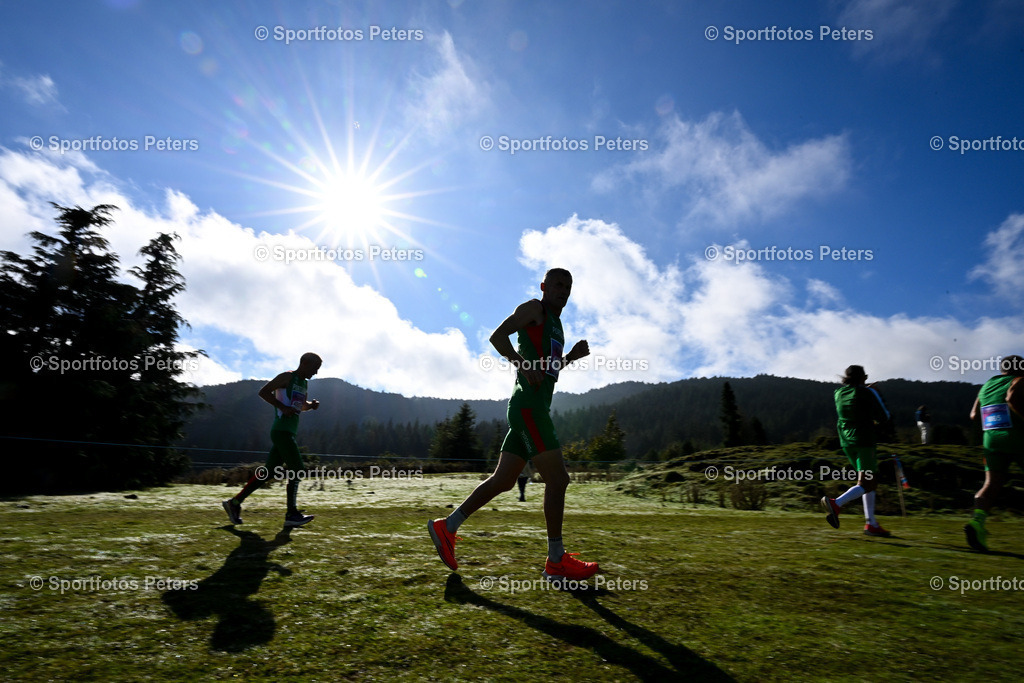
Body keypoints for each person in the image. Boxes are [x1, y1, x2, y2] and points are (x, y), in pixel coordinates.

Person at [428, 268, 599, 582]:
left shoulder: (556, 325)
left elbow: (547, 370)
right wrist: (521, 363)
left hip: (532, 409)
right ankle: (556, 561)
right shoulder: (534, 309)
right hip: (529, 409)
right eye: (558, 284)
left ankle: (447, 527)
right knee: (558, 480)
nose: (563, 290)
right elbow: (497, 337)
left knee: (503, 480)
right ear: (544, 286)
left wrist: (570, 357)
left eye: (568, 286)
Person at [223, 352, 322, 528]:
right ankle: (291, 514)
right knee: (298, 469)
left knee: (268, 472)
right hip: (281, 431)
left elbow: (300, 406)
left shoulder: (304, 383)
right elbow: (263, 392)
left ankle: (234, 503)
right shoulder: (286, 377)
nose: (316, 373)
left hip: (289, 432)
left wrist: (311, 406)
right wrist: (282, 407)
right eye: (315, 368)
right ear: (305, 363)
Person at [821, 365, 892, 537]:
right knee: (867, 483)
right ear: (863, 378)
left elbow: (854, 403)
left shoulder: (838, 393)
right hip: (864, 441)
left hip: (847, 442)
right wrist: (874, 392)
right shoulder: (867, 393)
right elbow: (884, 416)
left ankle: (871, 524)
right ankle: (836, 503)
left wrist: (865, 391)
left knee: (869, 481)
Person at [964, 355, 1024, 552]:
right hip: (1017, 437)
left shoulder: (986, 386)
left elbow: (973, 415)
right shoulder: (1019, 380)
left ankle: (977, 522)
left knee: (991, 484)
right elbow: (1011, 398)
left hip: (991, 439)